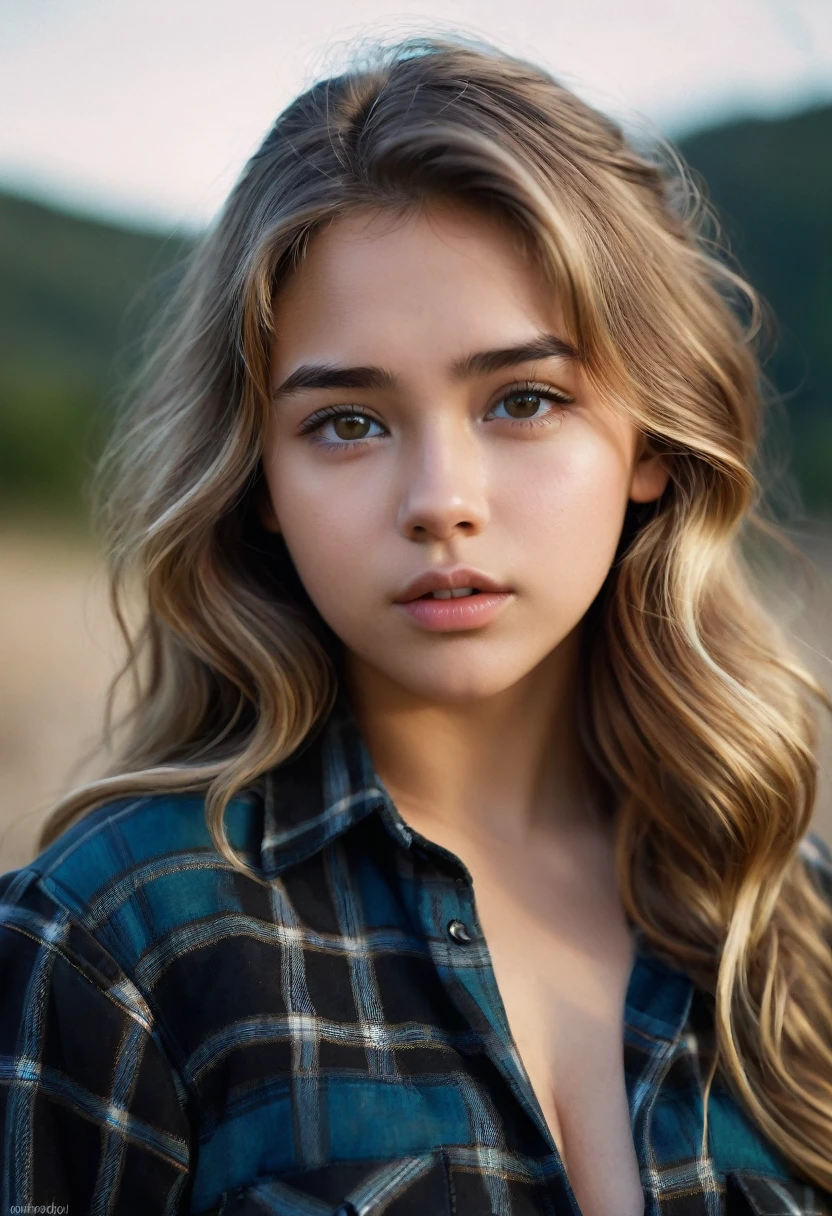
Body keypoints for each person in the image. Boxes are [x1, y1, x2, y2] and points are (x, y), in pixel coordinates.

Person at [1, 33, 831, 1216]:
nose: (442, 497)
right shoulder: (109, 944)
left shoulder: (788, 928)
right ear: (261, 482)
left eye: (524, 400)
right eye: (348, 422)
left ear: (647, 441)